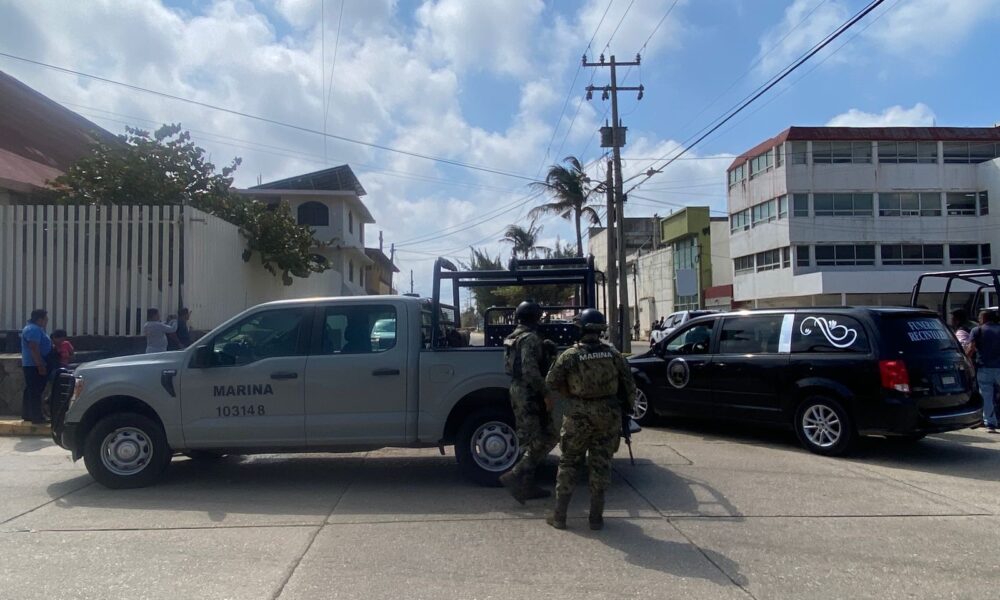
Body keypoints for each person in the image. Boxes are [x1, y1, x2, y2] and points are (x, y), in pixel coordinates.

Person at [545, 308, 635, 530]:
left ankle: (560, 516)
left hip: (578, 415)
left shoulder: (570, 355)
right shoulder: (614, 355)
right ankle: (596, 517)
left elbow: (551, 382)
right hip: (608, 415)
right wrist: (625, 410)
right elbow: (629, 386)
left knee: (569, 463)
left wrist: (569, 393)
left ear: (582, 329)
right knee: (601, 464)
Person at [498, 301, 559, 504]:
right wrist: (546, 393)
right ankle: (516, 475)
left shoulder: (512, 337)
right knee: (548, 436)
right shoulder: (530, 338)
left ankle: (526, 487)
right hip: (530, 392)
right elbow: (530, 370)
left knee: (527, 439)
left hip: (517, 389)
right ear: (535, 317)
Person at [967, 309, 1000, 433]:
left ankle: (990, 424)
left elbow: (971, 348)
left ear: (984, 318)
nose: (979, 320)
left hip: (984, 368)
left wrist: (966, 360)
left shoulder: (977, 330)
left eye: (980, 318)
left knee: (986, 396)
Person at [20, 309, 52, 424]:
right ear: (40, 319)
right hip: (34, 365)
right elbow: (34, 348)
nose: (47, 321)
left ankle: (28, 414)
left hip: (33, 364)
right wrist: (40, 365)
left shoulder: (34, 329)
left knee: (31, 389)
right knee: (36, 391)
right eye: (45, 319)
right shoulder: (33, 330)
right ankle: (37, 416)